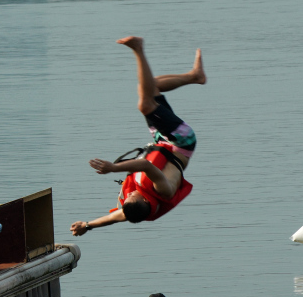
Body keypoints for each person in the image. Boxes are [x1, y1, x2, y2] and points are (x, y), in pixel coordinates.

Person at [71, 36, 205, 236]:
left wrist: (87, 225)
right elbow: (145, 166)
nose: (130, 192)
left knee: (150, 87)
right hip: (181, 142)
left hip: (161, 141)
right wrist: (113, 168)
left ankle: (195, 76)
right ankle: (138, 48)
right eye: (133, 196)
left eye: (128, 197)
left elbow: (112, 218)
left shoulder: (132, 210)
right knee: (145, 104)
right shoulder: (163, 190)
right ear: (144, 200)